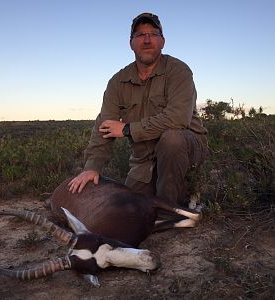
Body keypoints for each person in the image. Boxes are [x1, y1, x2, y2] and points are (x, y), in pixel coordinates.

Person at [68, 12, 208, 206]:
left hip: (185, 149)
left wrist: (126, 129)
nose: (147, 40)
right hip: (144, 160)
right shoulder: (118, 82)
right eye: (140, 35)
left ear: (162, 41)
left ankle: (169, 210)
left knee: (172, 140)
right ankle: (162, 199)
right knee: (127, 206)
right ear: (131, 43)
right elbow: (105, 125)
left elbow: (178, 118)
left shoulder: (179, 71)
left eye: (153, 34)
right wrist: (92, 167)